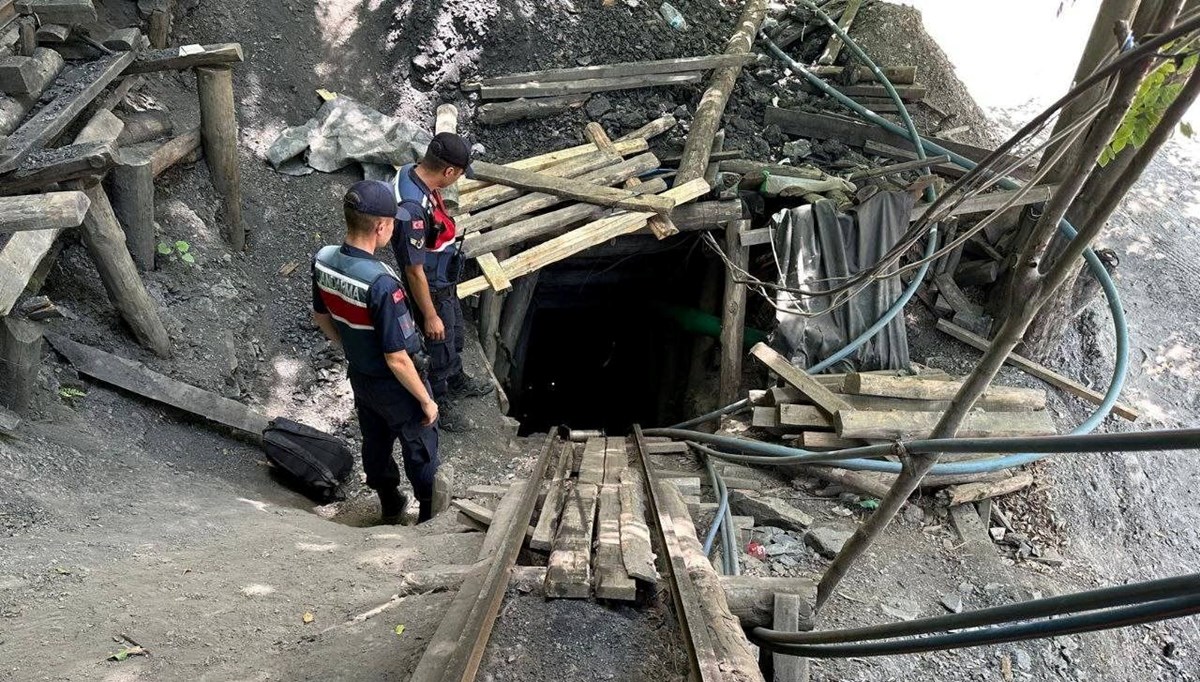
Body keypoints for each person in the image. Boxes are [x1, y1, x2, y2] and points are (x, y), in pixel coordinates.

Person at [311, 180, 440, 524]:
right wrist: (426, 401)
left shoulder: (323, 260)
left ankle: (390, 503)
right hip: (395, 384)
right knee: (420, 447)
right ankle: (428, 517)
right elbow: (397, 357)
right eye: (393, 222)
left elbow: (321, 316)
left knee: (376, 441)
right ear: (382, 226)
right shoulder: (382, 283)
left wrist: (352, 345)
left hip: (361, 377)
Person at [392, 132, 493, 432]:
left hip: (443, 278)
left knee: (455, 334)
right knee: (439, 343)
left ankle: (457, 377)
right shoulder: (413, 209)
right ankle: (440, 400)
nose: (459, 179)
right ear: (449, 171)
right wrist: (431, 314)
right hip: (431, 288)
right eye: (460, 174)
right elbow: (413, 270)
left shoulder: (414, 173)